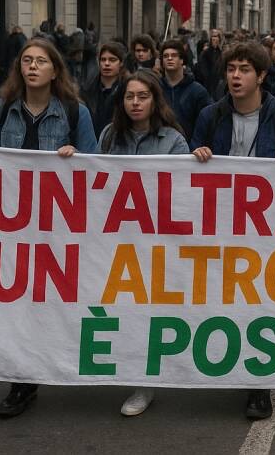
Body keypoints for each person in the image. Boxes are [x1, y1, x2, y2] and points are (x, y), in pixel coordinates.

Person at [0, 38, 97, 418]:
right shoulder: (3, 108)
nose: (33, 66)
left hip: (60, 225)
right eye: (27, 60)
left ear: (55, 71)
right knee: (19, 300)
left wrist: (77, 157)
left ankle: (60, 360)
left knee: (57, 297)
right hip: (16, 226)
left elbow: (95, 164)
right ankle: (22, 380)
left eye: (41, 61)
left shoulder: (75, 112)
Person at [190, 41, 275, 420]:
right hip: (221, 225)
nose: (235, 76)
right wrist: (197, 156)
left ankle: (259, 385)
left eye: (244, 70)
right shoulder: (210, 116)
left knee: (260, 304)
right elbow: (188, 171)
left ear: (261, 76)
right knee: (225, 300)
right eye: (231, 69)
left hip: (267, 230)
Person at [97, 70, 190, 416]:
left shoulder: (174, 141)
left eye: (143, 96)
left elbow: (185, 192)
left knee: (149, 309)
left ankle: (144, 381)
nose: (135, 103)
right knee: (120, 308)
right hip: (117, 238)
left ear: (155, 101)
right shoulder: (109, 136)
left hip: (156, 240)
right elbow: (92, 181)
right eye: (129, 96)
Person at [158, 39, 211, 143]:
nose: (169, 58)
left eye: (174, 55)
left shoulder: (197, 91)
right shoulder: (155, 88)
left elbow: (207, 122)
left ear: (182, 60)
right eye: (165, 56)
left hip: (189, 148)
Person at [81, 42, 128, 138]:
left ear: (121, 63)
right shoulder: (87, 89)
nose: (106, 64)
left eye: (112, 60)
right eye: (103, 60)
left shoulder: (127, 90)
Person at [196, 29, 225, 98]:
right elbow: (203, 68)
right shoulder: (205, 53)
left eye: (216, 36)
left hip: (218, 83)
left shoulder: (221, 52)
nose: (215, 39)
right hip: (208, 83)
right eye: (213, 36)